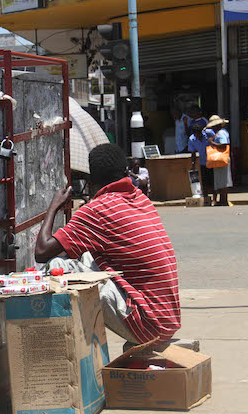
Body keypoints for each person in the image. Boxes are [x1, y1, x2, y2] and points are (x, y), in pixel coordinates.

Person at [34, 143, 181, 345]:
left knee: (58, 267)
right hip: (168, 319)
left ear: (92, 180)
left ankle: (62, 348)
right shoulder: (141, 200)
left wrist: (54, 206)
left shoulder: (97, 210)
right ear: (125, 172)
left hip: (149, 325)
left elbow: (42, 251)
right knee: (84, 256)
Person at [205, 115, 233, 206]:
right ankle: (222, 200)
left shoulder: (221, 133)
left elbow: (224, 145)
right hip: (221, 158)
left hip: (221, 158)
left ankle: (223, 200)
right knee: (222, 180)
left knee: (223, 180)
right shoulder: (222, 132)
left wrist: (212, 143)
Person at [188, 123, 215, 204]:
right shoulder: (192, 139)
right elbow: (193, 153)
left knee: (213, 182)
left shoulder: (208, 133)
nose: (197, 135)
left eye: (198, 133)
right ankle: (206, 199)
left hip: (212, 161)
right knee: (204, 182)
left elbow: (215, 140)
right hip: (203, 162)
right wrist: (193, 164)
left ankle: (214, 199)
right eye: (195, 134)